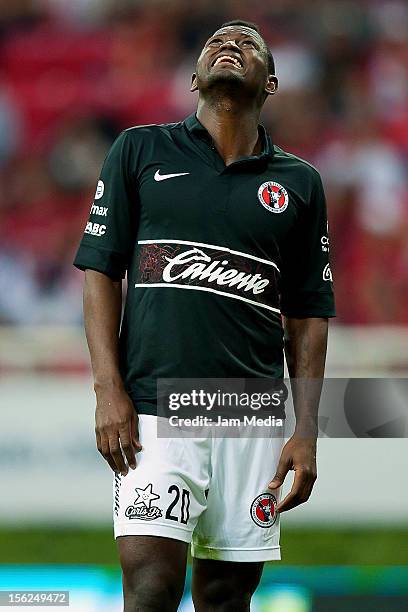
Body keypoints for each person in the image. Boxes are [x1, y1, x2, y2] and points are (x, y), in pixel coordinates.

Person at [74, 19, 335, 612]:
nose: (229, 44)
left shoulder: (300, 183)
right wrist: (107, 389)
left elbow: (308, 316)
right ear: (193, 78)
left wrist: (308, 429)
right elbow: (99, 273)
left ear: (270, 81)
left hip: (251, 411)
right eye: (216, 41)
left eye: (247, 45)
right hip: (155, 403)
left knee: (225, 597)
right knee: (150, 587)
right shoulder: (138, 150)